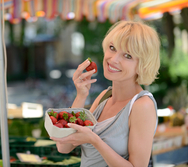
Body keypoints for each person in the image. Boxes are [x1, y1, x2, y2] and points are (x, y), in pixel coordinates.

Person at [50, 20, 160, 167]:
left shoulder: (142, 105)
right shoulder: (104, 97)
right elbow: (64, 147)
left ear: (143, 66)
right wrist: (81, 96)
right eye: (112, 48)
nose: (113, 59)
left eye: (127, 56)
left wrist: (94, 140)